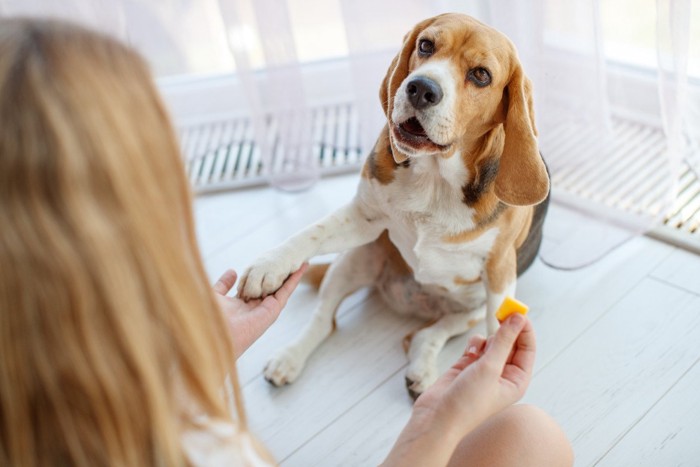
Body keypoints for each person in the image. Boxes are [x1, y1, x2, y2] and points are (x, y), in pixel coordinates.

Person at [0, 17, 573, 467]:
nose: (426, 81)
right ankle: (325, 327)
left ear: (503, 108)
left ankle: (430, 337)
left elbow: (498, 272)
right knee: (534, 434)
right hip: (397, 266)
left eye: (476, 75)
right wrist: (437, 424)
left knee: (525, 422)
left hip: (464, 292)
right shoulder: (204, 447)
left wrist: (204, 351)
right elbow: (361, 219)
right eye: (426, 50)